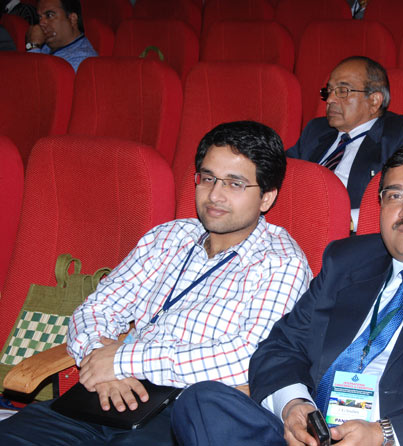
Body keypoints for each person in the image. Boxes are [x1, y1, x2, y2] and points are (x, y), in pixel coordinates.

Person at [171, 140, 403, 446]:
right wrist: (293, 405)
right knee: (202, 402)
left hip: (402, 436)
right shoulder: (348, 260)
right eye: (394, 195)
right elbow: (281, 346)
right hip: (312, 433)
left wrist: (385, 433)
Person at [0, 121, 312, 445]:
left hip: (181, 411)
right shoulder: (168, 237)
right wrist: (98, 359)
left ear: (266, 198)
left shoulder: (281, 263)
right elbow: (95, 308)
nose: (214, 195)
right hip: (105, 393)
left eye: (235, 184)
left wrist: (123, 360)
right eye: (207, 178)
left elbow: (247, 356)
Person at [287, 56, 403, 231]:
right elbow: (283, 170)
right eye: (329, 91)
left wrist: (345, 221)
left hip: (352, 233)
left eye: (342, 91)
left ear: (374, 101)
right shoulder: (316, 129)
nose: (330, 99)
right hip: (295, 223)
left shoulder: (399, 133)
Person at [25, 0, 96, 71]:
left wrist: (33, 47)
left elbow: (37, 77)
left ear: (72, 19)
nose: (41, 23)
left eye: (49, 15)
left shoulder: (83, 59)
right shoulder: (45, 46)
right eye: (39, 17)